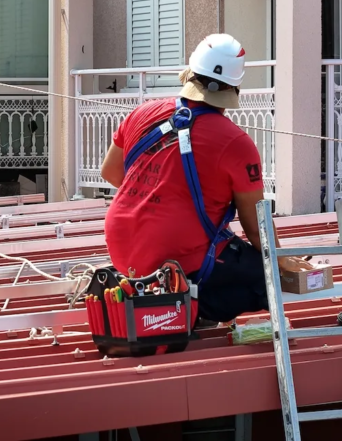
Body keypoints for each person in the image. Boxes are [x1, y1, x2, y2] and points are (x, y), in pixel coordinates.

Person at [99, 33, 312, 325]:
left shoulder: (142, 113)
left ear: (190, 73)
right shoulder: (235, 142)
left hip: (123, 251)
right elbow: (256, 225)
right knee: (265, 277)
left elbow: (110, 172)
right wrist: (281, 259)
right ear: (235, 87)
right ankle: (193, 310)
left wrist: (159, 198)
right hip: (178, 262)